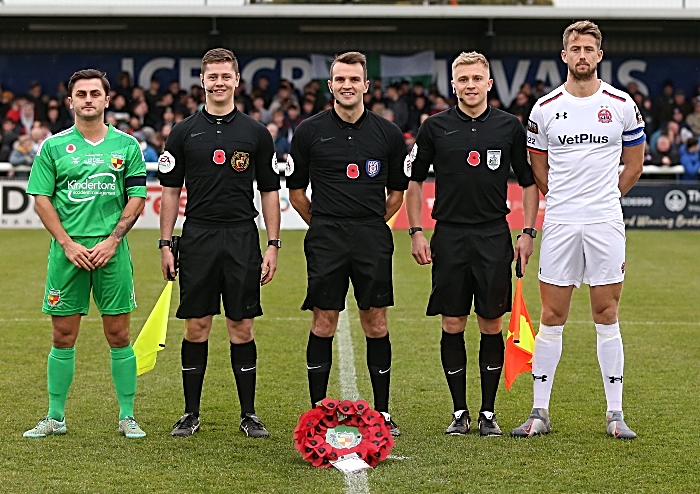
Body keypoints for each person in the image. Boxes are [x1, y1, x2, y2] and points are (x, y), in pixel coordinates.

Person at [511, 20, 645, 440]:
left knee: (606, 314)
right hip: (562, 222)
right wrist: (568, 202)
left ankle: (615, 414)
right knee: (552, 316)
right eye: (576, 49)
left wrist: (605, 199)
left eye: (590, 49)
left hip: (605, 222)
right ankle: (539, 412)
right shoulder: (544, 108)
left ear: (599, 56)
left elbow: (635, 163)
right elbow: (538, 168)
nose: (582, 55)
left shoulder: (622, 104)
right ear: (564, 55)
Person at [405, 52, 538, 437]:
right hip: (449, 235)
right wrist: (416, 230)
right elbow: (413, 181)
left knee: (491, 323)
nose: (470, 85)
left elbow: (529, 183)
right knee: (452, 322)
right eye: (463, 79)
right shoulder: (435, 127)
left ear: (489, 83)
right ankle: (459, 411)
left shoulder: (509, 127)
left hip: (493, 235)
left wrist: (527, 233)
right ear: (453, 84)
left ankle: (489, 413)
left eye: (477, 78)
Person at [158, 48, 280, 439]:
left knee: (241, 326)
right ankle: (190, 413)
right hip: (198, 236)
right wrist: (164, 242)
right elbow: (171, 192)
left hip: (242, 236)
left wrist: (273, 243)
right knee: (196, 326)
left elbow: (269, 192)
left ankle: (249, 414)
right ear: (202, 80)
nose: (219, 82)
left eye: (226, 76)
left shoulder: (256, 133)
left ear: (237, 80)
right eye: (213, 76)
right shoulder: (182, 132)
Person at [287, 51, 408, 436]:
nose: (347, 86)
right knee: (324, 320)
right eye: (340, 79)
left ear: (366, 85)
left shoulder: (388, 133)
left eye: (354, 79)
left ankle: (383, 411)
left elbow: (396, 194)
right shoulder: (309, 131)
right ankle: (318, 412)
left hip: (372, 235)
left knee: (375, 320)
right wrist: (324, 224)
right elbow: (296, 193)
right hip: (326, 237)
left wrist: (368, 224)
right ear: (330, 85)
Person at [23, 69, 148, 438]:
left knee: (119, 334)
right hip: (68, 253)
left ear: (107, 100)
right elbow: (42, 199)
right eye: (82, 94)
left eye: (96, 93)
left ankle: (127, 416)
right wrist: (67, 243)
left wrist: (111, 240)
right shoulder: (53, 147)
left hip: (112, 251)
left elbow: (138, 197)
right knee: (62, 335)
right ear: (71, 102)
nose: (89, 99)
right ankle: (55, 417)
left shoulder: (127, 146)